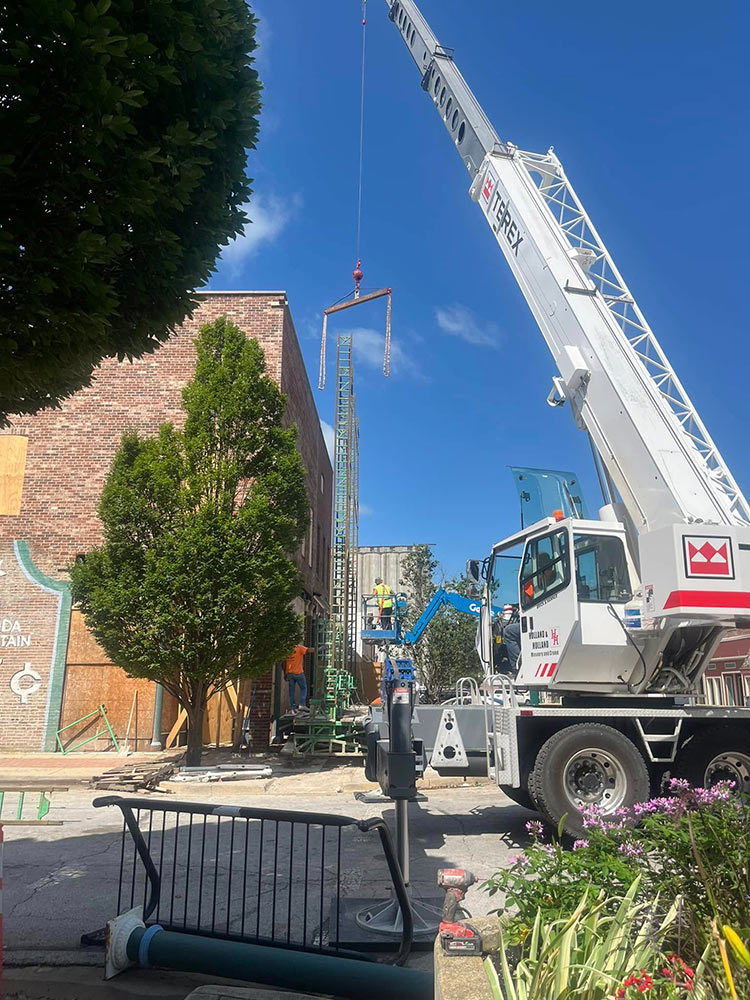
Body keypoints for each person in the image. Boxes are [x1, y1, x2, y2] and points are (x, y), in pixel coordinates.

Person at [285, 642, 311, 713]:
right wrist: (319, 649)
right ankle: (302, 704)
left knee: (291, 691)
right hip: (299, 673)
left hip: (290, 673)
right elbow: (308, 650)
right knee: (303, 688)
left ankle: (292, 708)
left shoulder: (286, 650)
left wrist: (286, 673)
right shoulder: (298, 648)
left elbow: (283, 663)